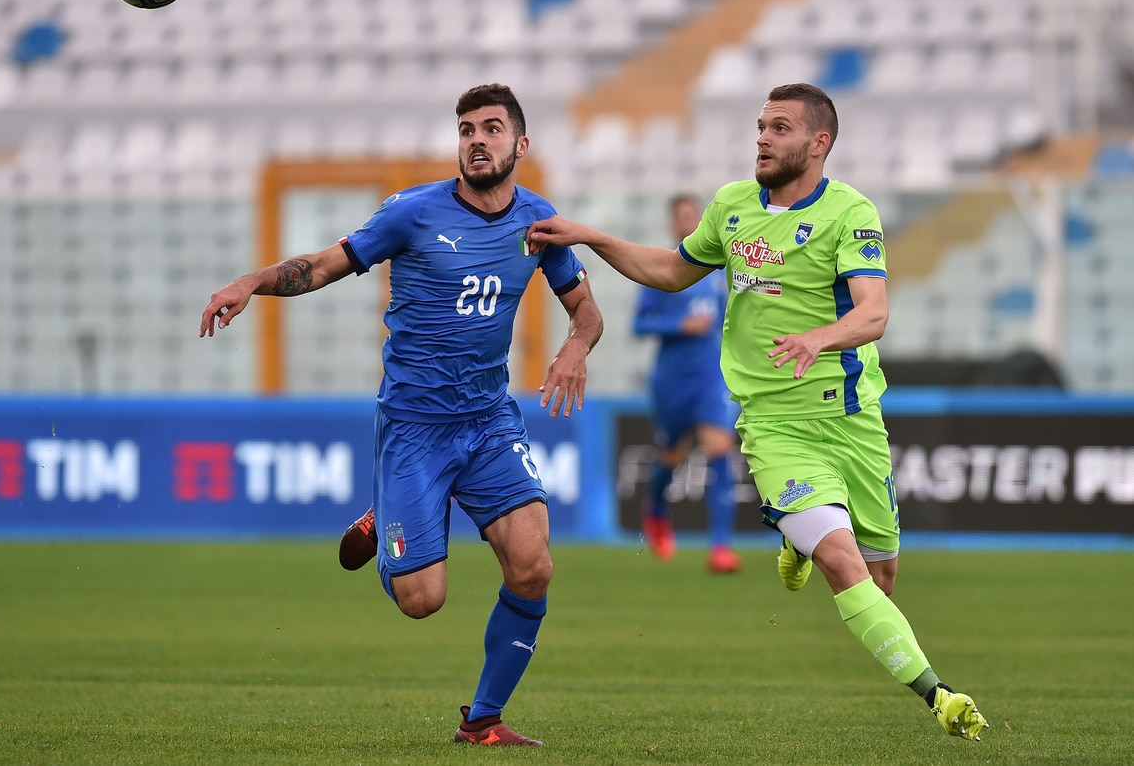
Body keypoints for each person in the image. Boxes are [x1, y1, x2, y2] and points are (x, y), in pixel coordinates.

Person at [528, 83, 989, 742]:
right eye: (761, 127)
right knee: (843, 564)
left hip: (852, 419)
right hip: (774, 426)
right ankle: (938, 695)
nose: (763, 139)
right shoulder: (733, 207)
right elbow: (671, 271)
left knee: (881, 577)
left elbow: (874, 312)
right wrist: (590, 236)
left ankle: (795, 538)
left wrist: (820, 338)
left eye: (779, 128)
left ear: (818, 143)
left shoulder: (849, 212)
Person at [200, 84, 604, 747]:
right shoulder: (412, 213)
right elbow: (322, 266)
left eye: (492, 128)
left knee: (534, 565)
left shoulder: (539, 222)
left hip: (489, 422)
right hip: (416, 430)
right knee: (423, 601)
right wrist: (251, 282)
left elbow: (586, 312)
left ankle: (482, 721)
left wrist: (574, 350)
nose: (477, 140)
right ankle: (385, 511)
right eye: (467, 129)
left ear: (520, 144)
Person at [633, 193, 742, 573]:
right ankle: (655, 509)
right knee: (671, 457)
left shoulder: (717, 271)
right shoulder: (661, 270)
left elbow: (732, 318)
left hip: (710, 377)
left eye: (693, 215)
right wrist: (679, 325)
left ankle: (721, 547)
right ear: (672, 223)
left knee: (720, 448)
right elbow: (638, 324)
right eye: (682, 216)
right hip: (671, 380)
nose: (688, 222)